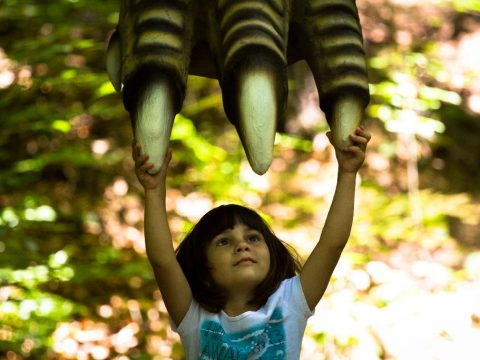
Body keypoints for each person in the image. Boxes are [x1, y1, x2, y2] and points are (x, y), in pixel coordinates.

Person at [133, 127, 371, 359]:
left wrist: (348, 173)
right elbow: (163, 260)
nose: (242, 245)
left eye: (253, 238)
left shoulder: (290, 301)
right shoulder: (193, 315)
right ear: (202, 267)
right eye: (224, 242)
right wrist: (154, 191)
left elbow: (332, 244)